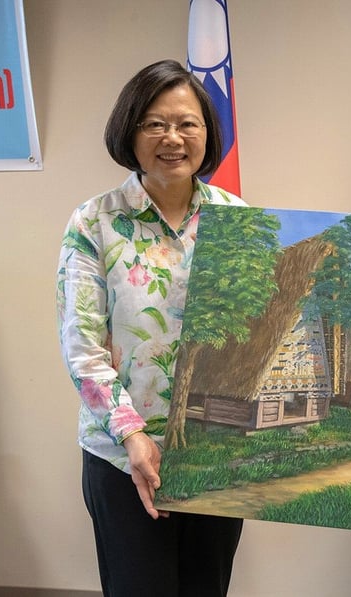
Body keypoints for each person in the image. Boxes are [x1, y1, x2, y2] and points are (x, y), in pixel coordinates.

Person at [56, 59, 245, 597]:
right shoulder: (95, 221)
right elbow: (83, 345)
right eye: (154, 124)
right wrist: (133, 435)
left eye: (188, 123)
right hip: (125, 456)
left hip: (213, 452)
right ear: (129, 130)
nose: (173, 138)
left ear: (208, 133)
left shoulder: (238, 219)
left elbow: (286, 310)